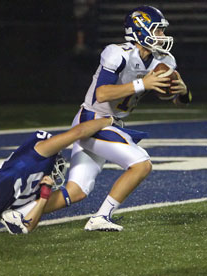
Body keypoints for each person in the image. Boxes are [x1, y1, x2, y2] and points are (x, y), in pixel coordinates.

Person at [37, 5, 192, 232]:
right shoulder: (118, 53)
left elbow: (179, 103)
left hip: (112, 123)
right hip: (92, 118)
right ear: (141, 31)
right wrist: (142, 84)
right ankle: (101, 216)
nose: (161, 36)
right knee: (141, 163)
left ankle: (21, 212)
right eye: (157, 30)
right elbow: (102, 94)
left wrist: (183, 91)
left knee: (77, 190)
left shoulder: (164, 61)